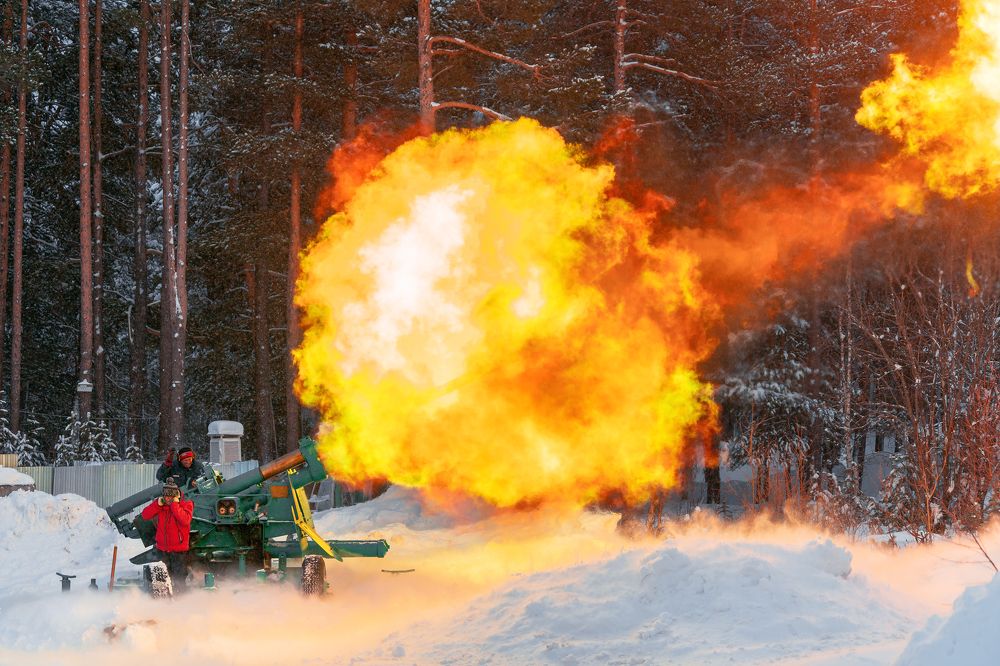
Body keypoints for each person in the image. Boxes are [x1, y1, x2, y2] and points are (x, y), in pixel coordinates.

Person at [140, 477, 194, 591]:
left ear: (176, 495)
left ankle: (181, 598)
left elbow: (185, 520)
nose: (168, 499)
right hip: (163, 548)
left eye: (170, 496)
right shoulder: (160, 505)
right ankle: (163, 601)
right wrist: (157, 504)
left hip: (179, 549)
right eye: (166, 496)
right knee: (162, 579)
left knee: (179, 578)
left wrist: (175, 505)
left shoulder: (186, 503)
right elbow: (145, 515)